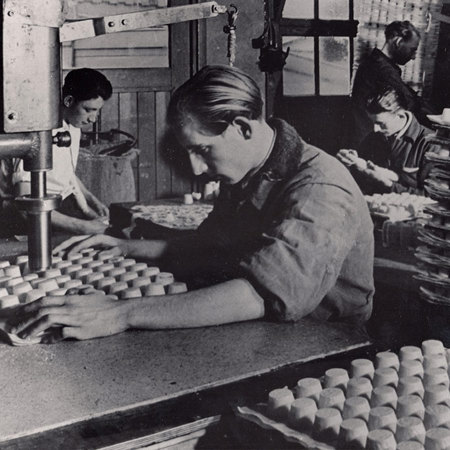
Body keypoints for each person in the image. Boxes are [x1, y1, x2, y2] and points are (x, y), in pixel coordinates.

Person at [8, 65, 375, 342]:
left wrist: (121, 313)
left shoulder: (319, 187)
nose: (198, 168)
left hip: (320, 342)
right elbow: (211, 245)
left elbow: (262, 295)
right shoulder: (251, 172)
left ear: (243, 128)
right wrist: (127, 248)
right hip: (253, 326)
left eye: (202, 150)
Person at [12, 68, 113, 235]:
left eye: (97, 111)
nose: (93, 119)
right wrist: (84, 226)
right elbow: (24, 205)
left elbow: (65, 172)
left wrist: (90, 201)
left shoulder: (73, 124)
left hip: (58, 203)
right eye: (88, 110)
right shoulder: (40, 131)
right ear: (68, 101)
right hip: (32, 214)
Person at [338, 85, 434, 195]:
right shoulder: (373, 138)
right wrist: (352, 164)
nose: (375, 128)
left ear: (401, 116)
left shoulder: (429, 144)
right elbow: (359, 183)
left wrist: (389, 185)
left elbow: (432, 197)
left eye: (380, 123)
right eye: (372, 122)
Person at [351, 20, 435, 146]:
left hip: (367, 138)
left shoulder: (376, 63)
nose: (413, 57)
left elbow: (409, 96)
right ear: (398, 42)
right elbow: (410, 104)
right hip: (368, 142)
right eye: (412, 50)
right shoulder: (383, 69)